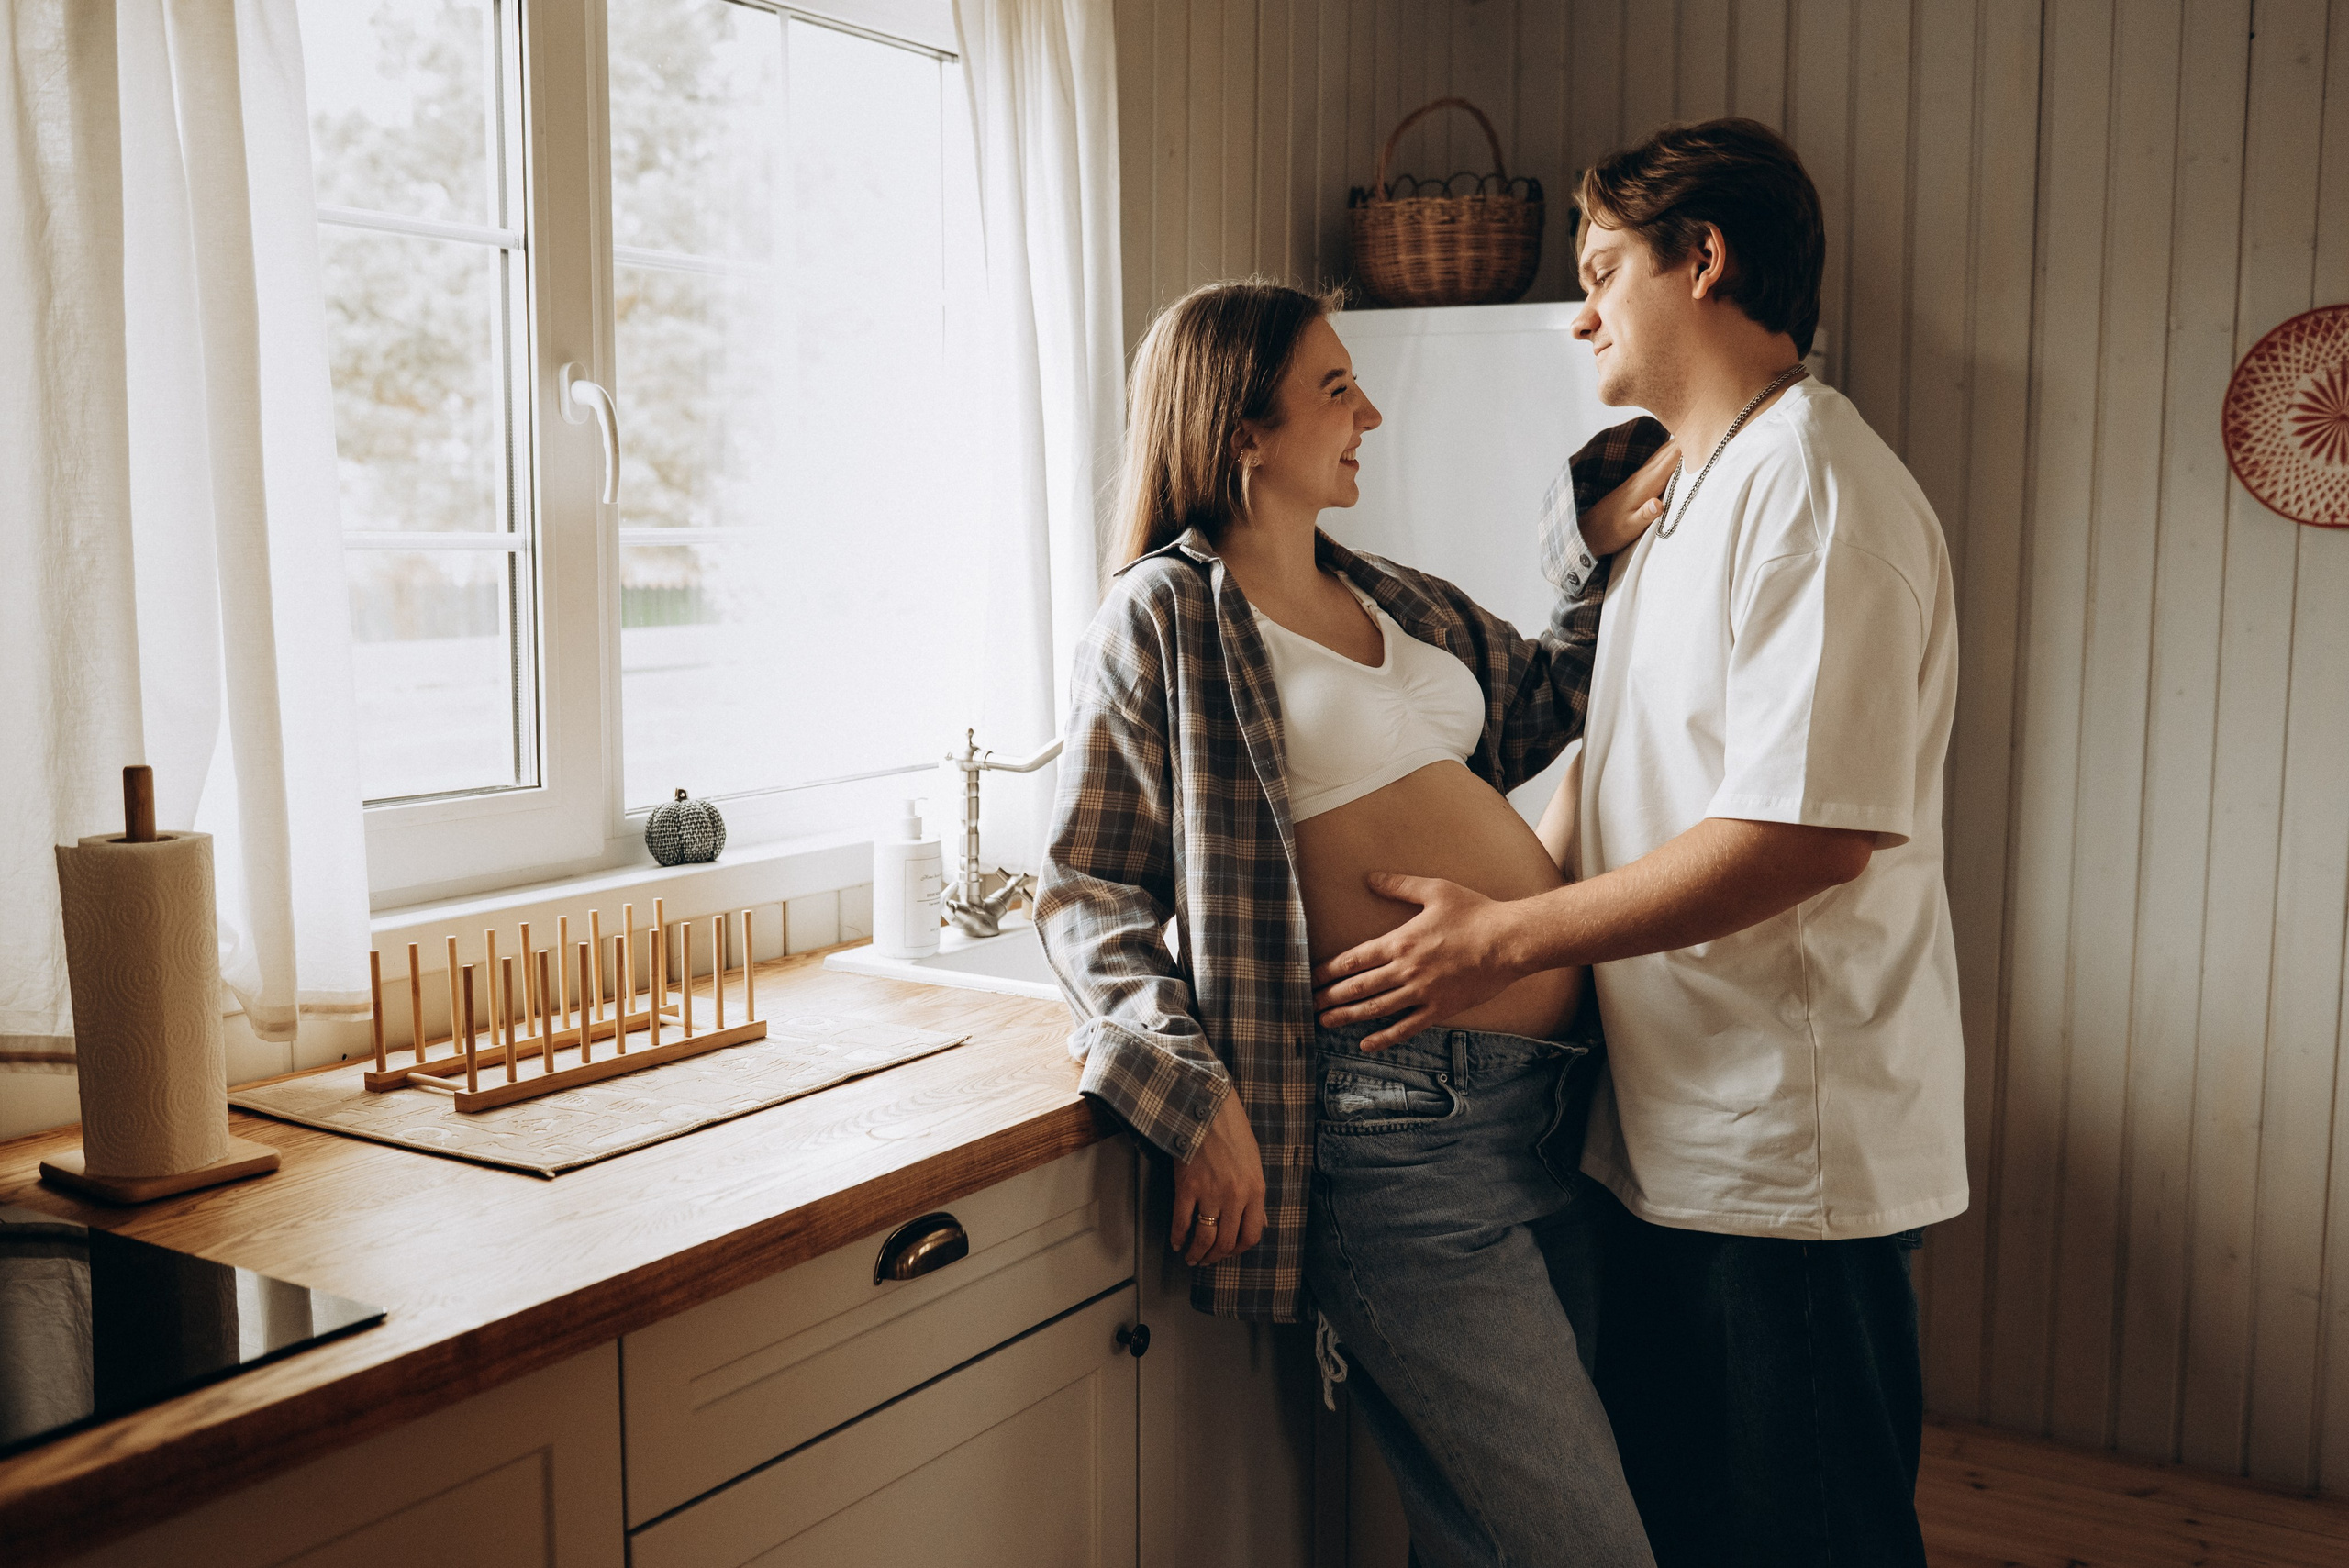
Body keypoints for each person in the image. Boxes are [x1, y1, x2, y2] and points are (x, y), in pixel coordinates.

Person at [1312, 118, 1966, 1567]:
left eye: (1604, 268)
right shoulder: (1688, 493)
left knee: (1805, 1539)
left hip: (1781, 1153)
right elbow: (1626, 772)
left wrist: (1505, 937)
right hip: (1673, 1128)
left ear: (1707, 259)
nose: (1580, 308)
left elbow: (1808, 835)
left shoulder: (1818, 493)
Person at [1035, 280, 1675, 1568]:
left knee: (1511, 1531)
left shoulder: (1394, 597)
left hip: (1556, 1098)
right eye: (1336, 387)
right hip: (1396, 1135)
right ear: (1243, 432)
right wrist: (1183, 1080)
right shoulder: (1162, 616)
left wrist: (1595, 536)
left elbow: (1549, 698)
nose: (1370, 409)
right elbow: (1088, 888)